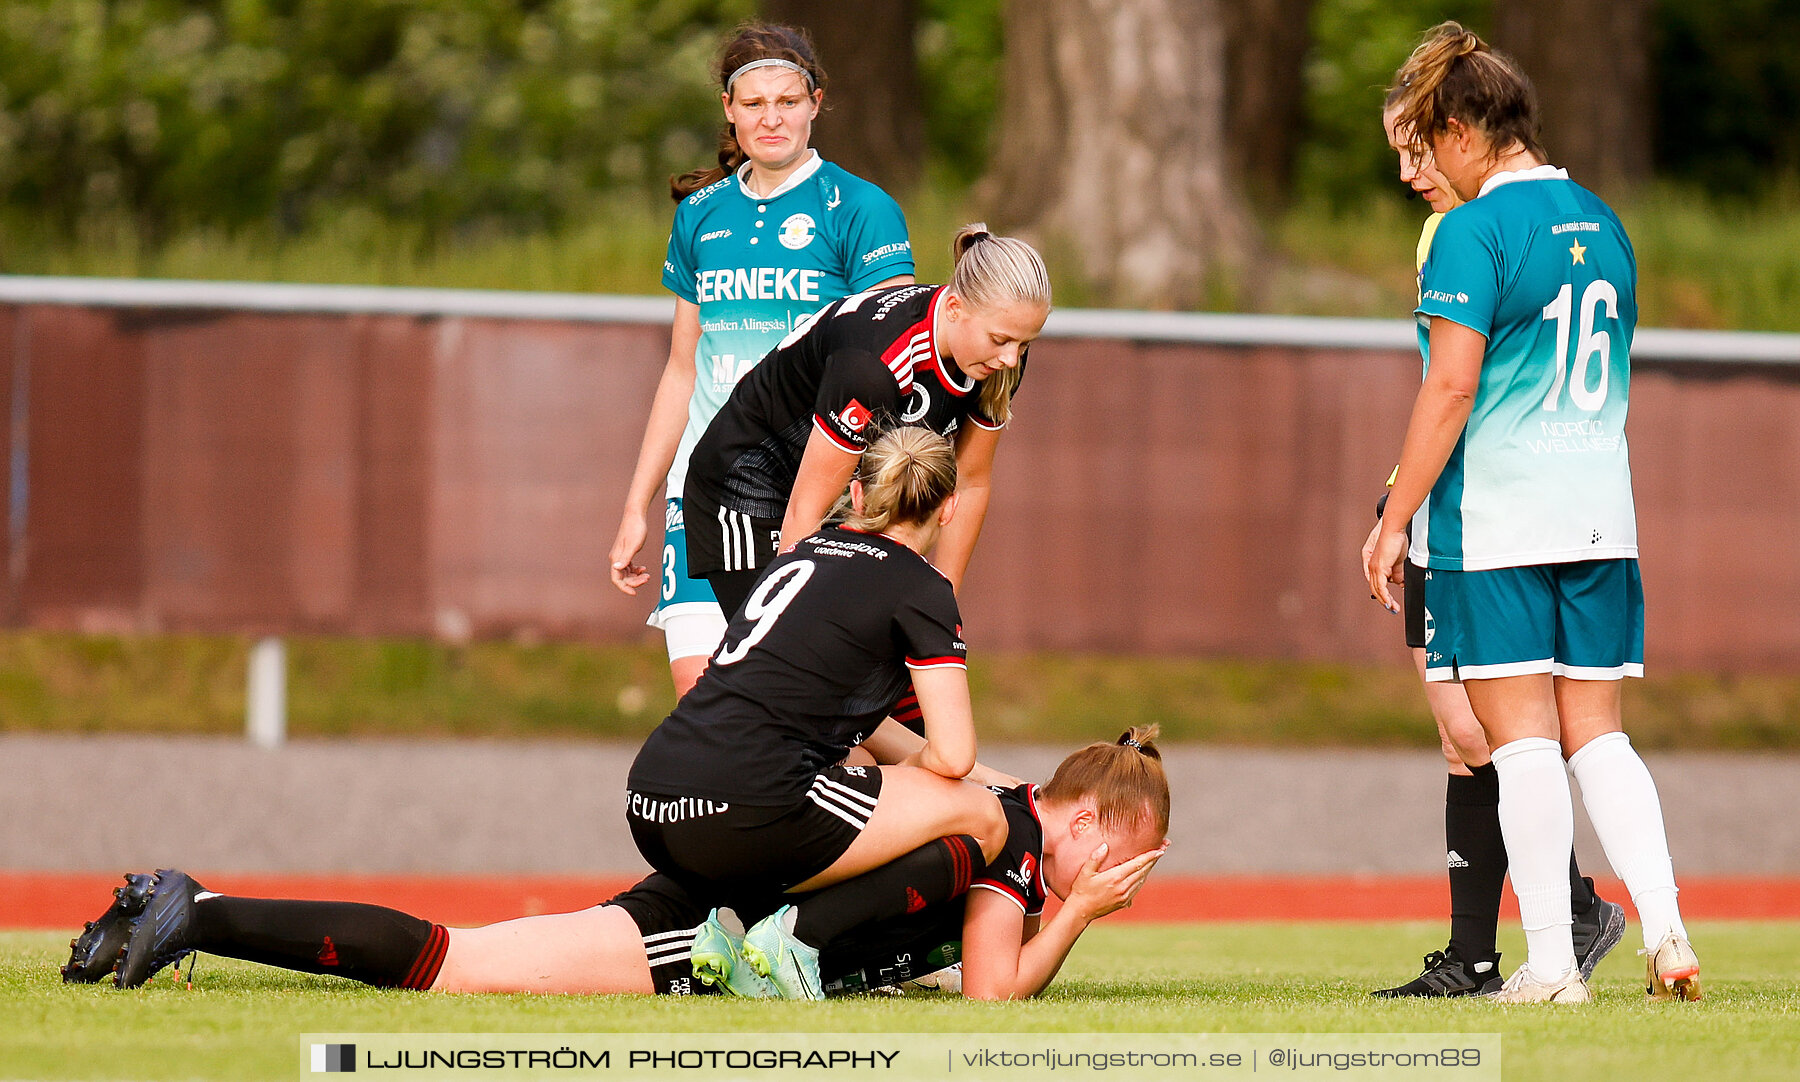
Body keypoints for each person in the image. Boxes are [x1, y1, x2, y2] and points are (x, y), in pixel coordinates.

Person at [1368, 23, 1699, 1004]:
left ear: (1466, 130)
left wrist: (1397, 517)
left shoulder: (1475, 230)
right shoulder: (1604, 220)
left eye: (1429, 145)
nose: (1426, 167)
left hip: (1501, 522)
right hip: (1601, 514)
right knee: (1598, 732)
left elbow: (1451, 386)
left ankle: (1554, 963)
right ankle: (1668, 930)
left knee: (1518, 744)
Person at [63, 728, 1167, 1001]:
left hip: (723, 900)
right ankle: (192, 908)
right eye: (1121, 861)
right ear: (1088, 821)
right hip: (704, 927)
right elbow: (990, 991)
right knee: (456, 965)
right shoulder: (1012, 842)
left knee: (454, 960)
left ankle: (193, 909)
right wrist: (1075, 917)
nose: (1114, 882)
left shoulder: (994, 810)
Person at [626, 426, 1015, 999]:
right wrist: (945, 783)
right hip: (744, 806)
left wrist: (1003, 782)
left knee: (850, 770)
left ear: (858, 496)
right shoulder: (922, 586)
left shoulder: (803, 554)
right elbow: (954, 756)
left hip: (652, 799)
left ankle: (733, 937)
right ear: (950, 507)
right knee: (984, 820)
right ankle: (798, 938)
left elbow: (856, 725)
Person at [608, 23, 916, 697]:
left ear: (816, 103)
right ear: (729, 108)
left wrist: (881, 488)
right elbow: (682, 370)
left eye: (787, 101)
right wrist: (639, 503)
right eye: (754, 104)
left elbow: (894, 364)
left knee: (810, 712)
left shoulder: (861, 209)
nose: (771, 118)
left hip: (815, 490)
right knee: (705, 705)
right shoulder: (701, 215)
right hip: (703, 491)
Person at [679, 224, 1048, 620]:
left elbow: (970, 481)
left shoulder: (1000, 356)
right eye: (1000, 340)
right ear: (955, 309)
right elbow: (806, 507)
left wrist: (941, 604)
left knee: (861, 654)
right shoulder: (875, 365)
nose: (1011, 358)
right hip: (750, 484)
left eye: (1024, 343)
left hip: (837, 491)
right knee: (791, 656)